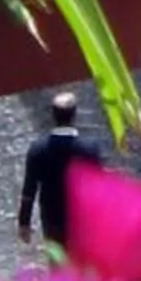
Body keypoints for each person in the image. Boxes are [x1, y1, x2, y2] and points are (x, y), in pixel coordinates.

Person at [16, 91, 101, 251]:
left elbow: (29, 189)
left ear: (53, 115)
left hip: (52, 218)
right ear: (74, 115)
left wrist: (24, 223)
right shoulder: (89, 149)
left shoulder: (38, 149)